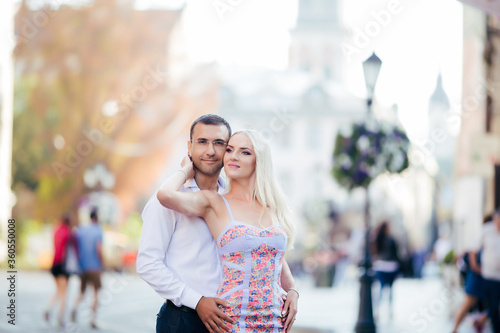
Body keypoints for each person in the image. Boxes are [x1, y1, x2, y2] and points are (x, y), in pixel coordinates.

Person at [137, 115, 298, 333]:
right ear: (189, 147)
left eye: (220, 144)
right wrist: (197, 300)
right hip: (186, 317)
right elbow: (148, 264)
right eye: (202, 142)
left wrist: (293, 291)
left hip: (231, 320)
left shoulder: (232, 200)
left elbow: (267, 253)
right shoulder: (173, 200)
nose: (211, 151)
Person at [71, 208, 104, 329]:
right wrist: (102, 262)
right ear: (97, 217)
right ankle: (93, 319)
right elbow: (98, 248)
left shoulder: (82, 230)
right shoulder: (98, 230)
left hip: (83, 266)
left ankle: (74, 308)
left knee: (82, 291)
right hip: (95, 266)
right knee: (96, 294)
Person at [44, 214, 77, 326]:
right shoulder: (68, 233)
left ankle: (48, 308)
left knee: (58, 290)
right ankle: (60, 317)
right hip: (63, 265)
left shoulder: (56, 231)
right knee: (64, 293)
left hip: (54, 264)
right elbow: (70, 251)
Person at [471, 208, 500, 332]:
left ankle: (481, 320)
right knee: (493, 306)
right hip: (490, 276)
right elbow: (473, 249)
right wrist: (475, 266)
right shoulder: (487, 230)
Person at [371, 221, 400, 318]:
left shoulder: (378, 238)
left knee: (380, 288)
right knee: (390, 290)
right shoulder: (391, 239)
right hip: (391, 266)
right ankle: (390, 311)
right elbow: (396, 253)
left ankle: (377, 310)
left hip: (381, 266)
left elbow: (374, 252)